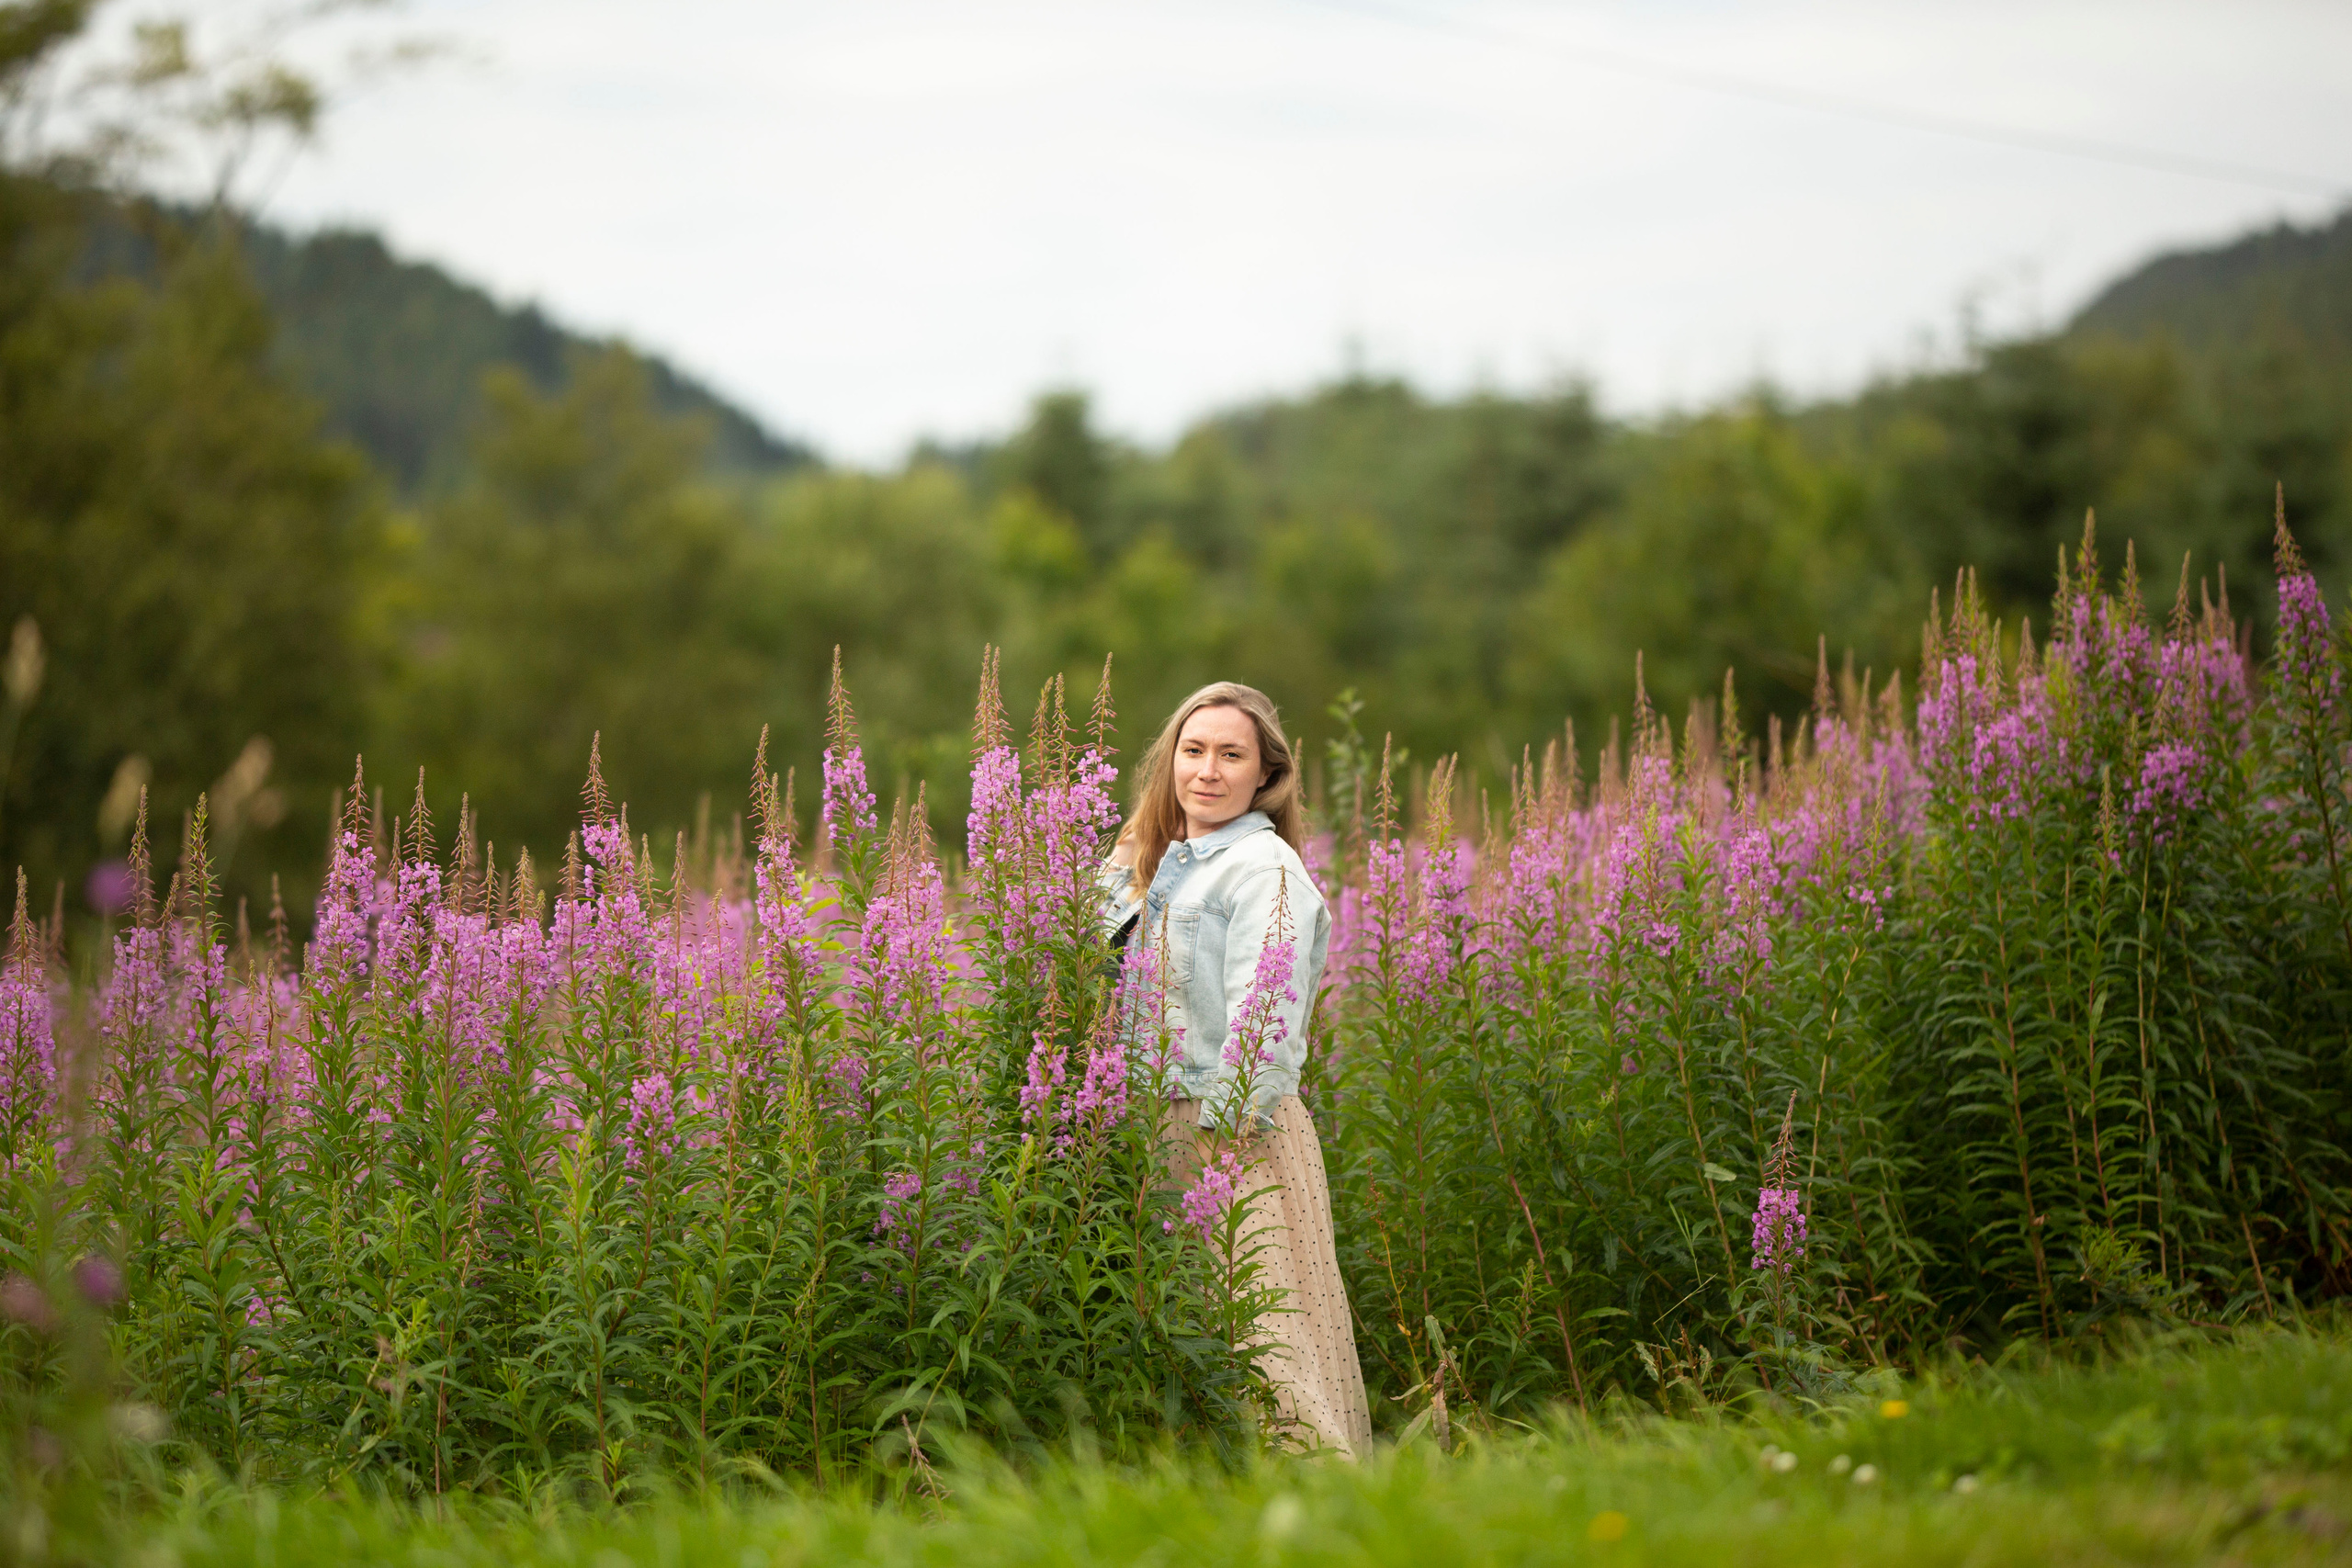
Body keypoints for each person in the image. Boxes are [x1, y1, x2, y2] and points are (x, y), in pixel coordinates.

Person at [1103, 681, 1373, 1458]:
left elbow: (1267, 1013)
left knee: (1264, 1338)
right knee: (1191, 1338)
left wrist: (1226, 1141)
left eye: (1231, 754)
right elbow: (1093, 955)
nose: (1208, 770)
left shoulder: (1263, 868)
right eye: (1193, 751)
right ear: (1171, 762)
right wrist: (1126, 861)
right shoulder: (1169, 864)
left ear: (1266, 774)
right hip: (1154, 1124)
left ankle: (1323, 1496)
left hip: (1230, 1132)